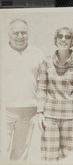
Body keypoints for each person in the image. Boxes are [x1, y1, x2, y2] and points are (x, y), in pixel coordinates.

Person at [37, 27, 73, 161]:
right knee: (50, 157)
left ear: (72, 41)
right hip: (50, 117)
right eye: (60, 36)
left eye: (67, 37)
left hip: (71, 117)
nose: (63, 39)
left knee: (69, 158)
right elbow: (41, 88)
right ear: (56, 39)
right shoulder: (46, 62)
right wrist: (40, 112)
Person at [2, 18, 44, 160]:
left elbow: (43, 84)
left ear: (28, 34)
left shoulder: (37, 54)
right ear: (9, 34)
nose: (20, 36)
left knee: (19, 156)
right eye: (16, 33)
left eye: (23, 33)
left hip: (28, 111)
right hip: (4, 111)